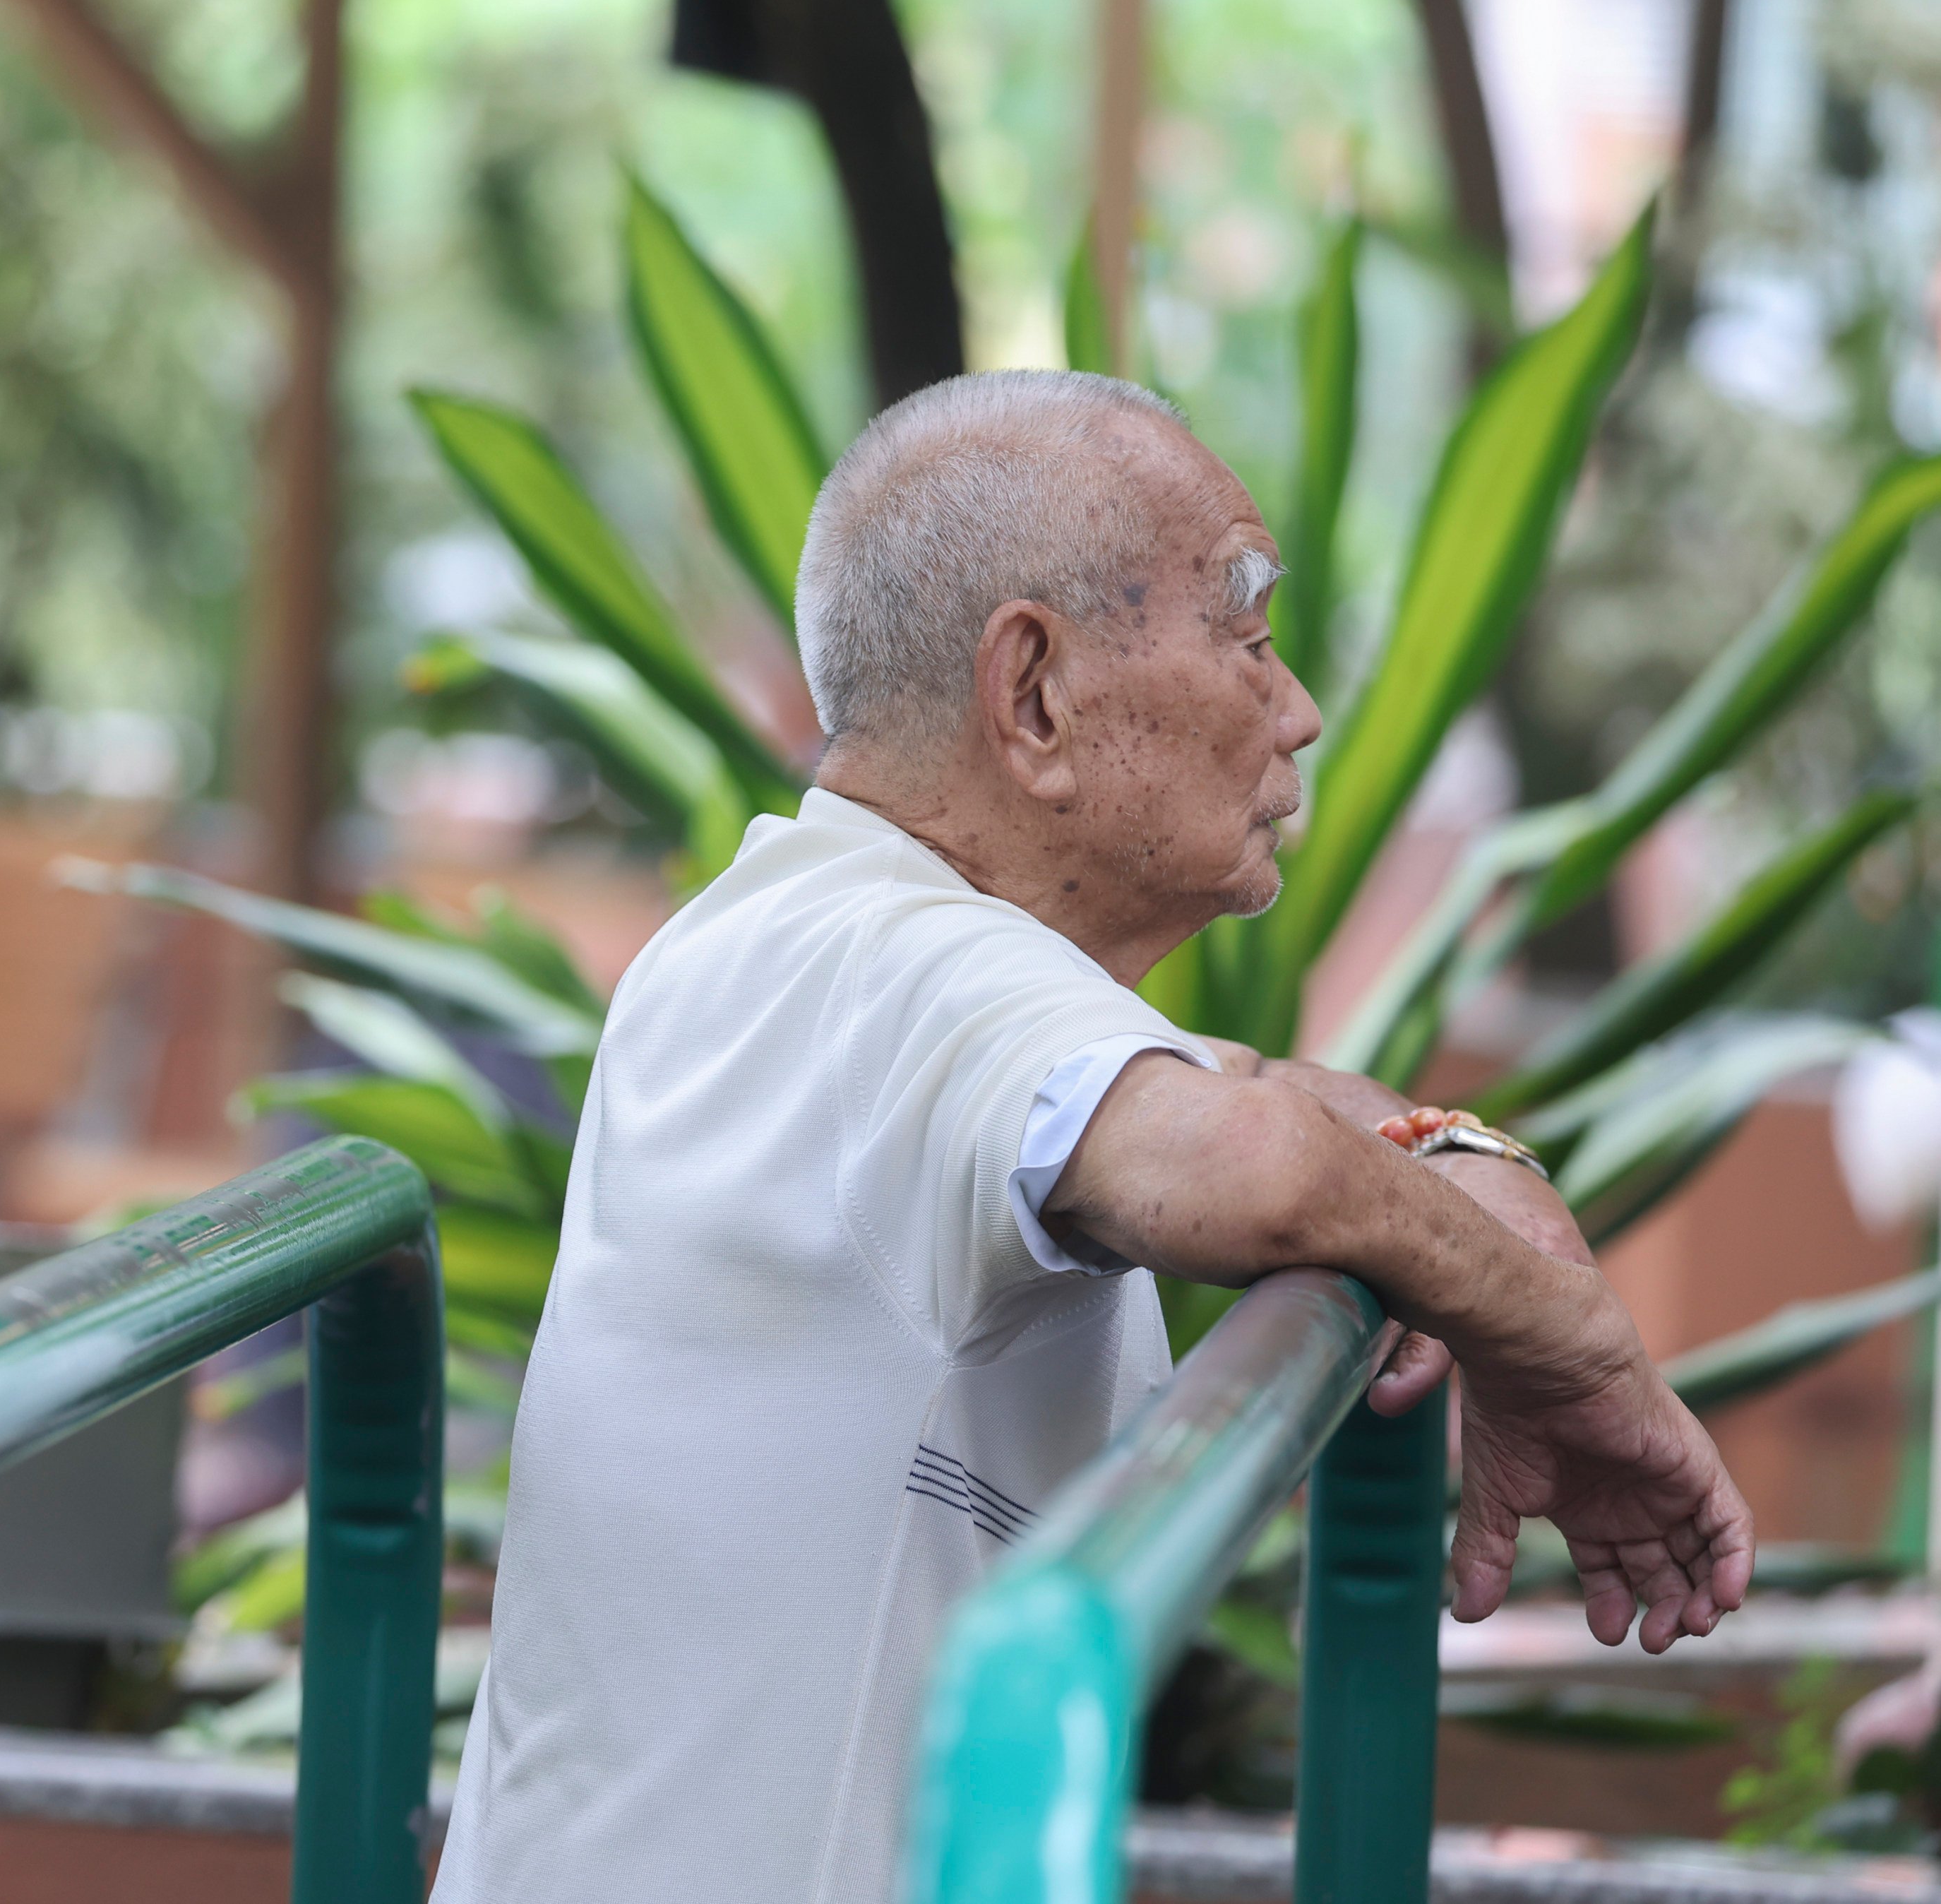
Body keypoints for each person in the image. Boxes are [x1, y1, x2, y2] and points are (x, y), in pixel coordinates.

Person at [431, 371, 1753, 1904]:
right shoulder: (888, 971)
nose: (1297, 707)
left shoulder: (849, 948)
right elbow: (1256, 1166)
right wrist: (1575, 1357)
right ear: (1036, 694)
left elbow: (1279, 1097)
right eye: (1245, 636)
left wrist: (1462, 1161)